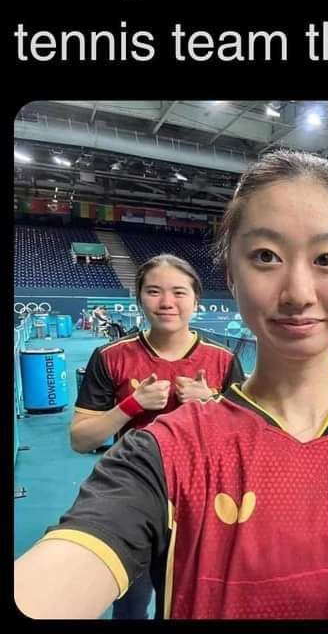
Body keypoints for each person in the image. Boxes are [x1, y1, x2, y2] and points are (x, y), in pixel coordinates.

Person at [14, 150, 328, 620]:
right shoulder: (164, 454)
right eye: (264, 256)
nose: (297, 292)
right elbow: (66, 567)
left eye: (326, 259)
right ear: (230, 276)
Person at [69, 254, 245, 619]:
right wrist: (131, 405)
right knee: (131, 605)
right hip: (133, 497)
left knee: (194, 601)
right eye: (154, 291)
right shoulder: (111, 356)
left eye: (179, 292)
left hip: (202, 500)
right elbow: (81, 440)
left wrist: (213, 402)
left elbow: (248, 441)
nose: (167, 302)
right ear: (139, 298)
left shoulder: (223, 360)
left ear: (196, 300)